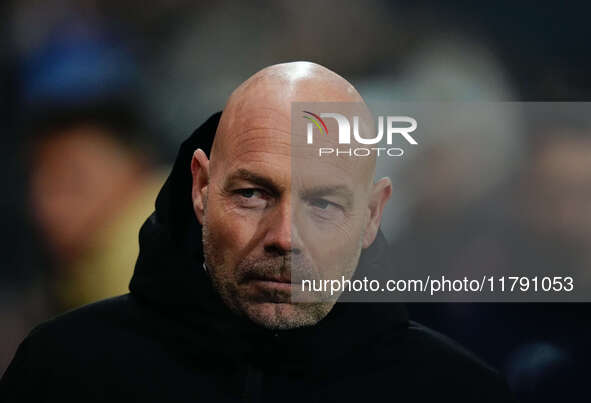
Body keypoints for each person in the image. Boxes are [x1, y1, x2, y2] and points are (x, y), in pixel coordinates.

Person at [0, 62, 515, 402]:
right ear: (200, 188)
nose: (285, 237)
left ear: (373, 215)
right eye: (253, 194)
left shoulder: (457, 391)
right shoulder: (64, 372)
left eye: (324, 202)